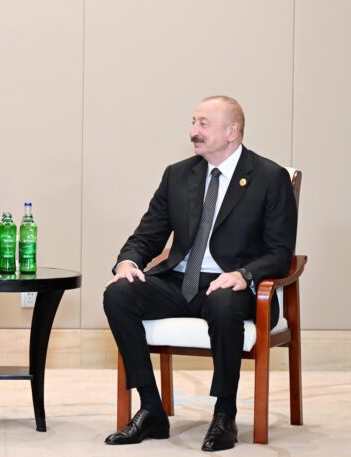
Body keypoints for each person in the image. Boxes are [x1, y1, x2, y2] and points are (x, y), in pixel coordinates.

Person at [103, 95, 297, 452]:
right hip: (180, 282)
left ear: (232, 131)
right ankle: (151, 408)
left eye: (203, 124)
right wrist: (127, 262)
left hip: (234, 287)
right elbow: (148, 234)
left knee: (223, 303)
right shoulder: (178, 175)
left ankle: (224, 414)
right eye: (193, 122)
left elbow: (281, 253)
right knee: (118, 294)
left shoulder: (270, 178)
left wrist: (244, 274)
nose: (194, 131)